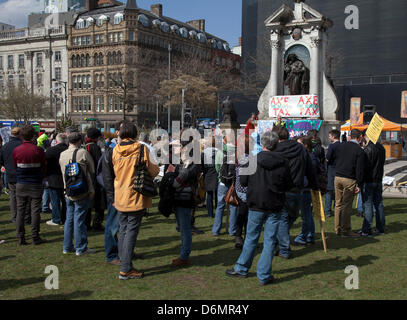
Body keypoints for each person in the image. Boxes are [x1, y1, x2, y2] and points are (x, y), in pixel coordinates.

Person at [226, 131, 293, 285]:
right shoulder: (283, 162)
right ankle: (262, 274)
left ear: (262, 144)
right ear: (275, 145)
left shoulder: (253, 160)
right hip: (274, 203)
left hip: (257, 203)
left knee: (252, 237)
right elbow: (289, 184)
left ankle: (243, 268)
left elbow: (242, 182)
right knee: (269, 240)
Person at [112, 122, 159, 280]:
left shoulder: (115, 150)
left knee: (123, 229)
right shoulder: (141, 148)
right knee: (131, 231)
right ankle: (125, 269)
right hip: (135, 194)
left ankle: (125, 264)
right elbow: (154, 170)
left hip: (120, 194)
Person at [272, 126, 315, 259]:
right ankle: (278, 243)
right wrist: (314, 185)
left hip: (283, 189)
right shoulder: (301, 148)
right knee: (289, 218)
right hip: (296, 189)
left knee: (285, 219)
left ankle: (283, 249)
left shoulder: (276, 150)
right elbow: (310, 169)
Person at [59, 132, 96, 255]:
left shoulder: (62, 154)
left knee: (69, 219)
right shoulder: (83, 153)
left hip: (68, 190)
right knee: (79, 219)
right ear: (79, 141)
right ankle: (81, 247)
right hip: (82, 190)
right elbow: (92, 169)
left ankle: (67, 246)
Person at [167, 139, 200, 267]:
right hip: (181, 198)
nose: (176, 149)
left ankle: (184, 256)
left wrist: (171, 176)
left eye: (178, 146)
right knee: (183, 227)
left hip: (184, 199)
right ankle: (183, 254)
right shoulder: (186, 163)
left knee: (185, 228)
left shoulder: (189, 165)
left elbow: (176, 183)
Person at [13, 125, 47, 245]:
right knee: (35, 210)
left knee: (20, 210)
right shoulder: (38, 150)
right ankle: (35, 236)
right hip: (35, 183)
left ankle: (20, 236)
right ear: (33, 136)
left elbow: (15, 166)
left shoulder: (17, 150)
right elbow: (43, 167)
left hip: (21, 183)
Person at [334, 129, 365, 237]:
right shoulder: (359, 150)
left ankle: (338, 228)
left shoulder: (341, 146)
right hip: (349, 178)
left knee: (338, 204)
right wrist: (359, 184)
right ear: (360, 137)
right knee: (346, 205)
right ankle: (345, 230)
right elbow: (359, 169)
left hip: (338, 176)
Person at [102, 121, 123, 265]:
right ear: (117, 133)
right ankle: (111, 255)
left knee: (125, 226)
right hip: (115, 194)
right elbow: (107, 177)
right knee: (113, 225)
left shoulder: (130, 149)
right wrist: (111, 196)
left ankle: (125, 251)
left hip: (127, 194)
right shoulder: (111, 151)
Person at [0, 127, 30, 225]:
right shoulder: (22, 145)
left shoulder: (5, 146)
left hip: (11, 174)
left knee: (13, 196)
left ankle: (15, 217)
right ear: (20, 134)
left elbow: (2, 161)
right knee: (24, 196)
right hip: (22, 174)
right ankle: (24, 217)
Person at [293, 136, 319, 246]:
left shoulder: (310, 157)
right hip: (304, 187)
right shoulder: (305, 156)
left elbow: (310, 174)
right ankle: (309, 235)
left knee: (306, 215)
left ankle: (304, 235)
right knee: (307, 214)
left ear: (306, 145)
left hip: (306, 188)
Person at [212, 131, 238, 236]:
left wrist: (220, 176)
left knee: (220, 206)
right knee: (233, 206)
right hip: (234, 182)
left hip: (222, 181)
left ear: (224, 140)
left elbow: (217, 167)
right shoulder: (238, 152)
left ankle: (216, 230)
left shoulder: (220, 152)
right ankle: (232, 230)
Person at [359, 135, 386, 236]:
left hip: (369, 180)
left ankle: (367, 229)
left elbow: (365, 166)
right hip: (378, 179)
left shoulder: (368, 149)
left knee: (368, 204)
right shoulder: (381, 148)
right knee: (378, 203)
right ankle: (380, 227)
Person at [85, 128, 106, 231]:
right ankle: (97, 223)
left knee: (89, 203)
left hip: (87, 177)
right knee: (99, 203)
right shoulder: (95, 147)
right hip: (96, 178)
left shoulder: (85, 146)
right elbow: (99, 163)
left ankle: (87, 224)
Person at [45, 133, 68, 226]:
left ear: (56, 141)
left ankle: (56, 218)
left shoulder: (51, 150)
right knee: (65, 201)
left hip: (53, 178)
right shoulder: (68, 150)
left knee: (55, 200)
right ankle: (65, 217)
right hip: (66, 178)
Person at [234, 135, 251, 249]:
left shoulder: (237, 157)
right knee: (246, 216)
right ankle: (241, 237)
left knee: (242, 214)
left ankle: (239, 236)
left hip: (239, 189)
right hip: (245, 190)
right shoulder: (248, 158)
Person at [325, 129, 341, 217]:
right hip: (339, 169)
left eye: (330, 136)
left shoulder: (332, 146)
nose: (329, 137)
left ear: (333, 136)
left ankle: (327, 210)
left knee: (329, 190)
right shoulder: (342, 145)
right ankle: (336, 208)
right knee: (337, 190)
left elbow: (328, 158)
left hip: (332, 169)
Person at [201, 137, 218, 218]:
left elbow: (201, 165)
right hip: (216, 173)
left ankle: (210, 214)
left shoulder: (203, 153)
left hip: (207, 173)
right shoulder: (218, 151)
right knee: (218, 195)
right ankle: (218, 212)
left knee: (209, 195)